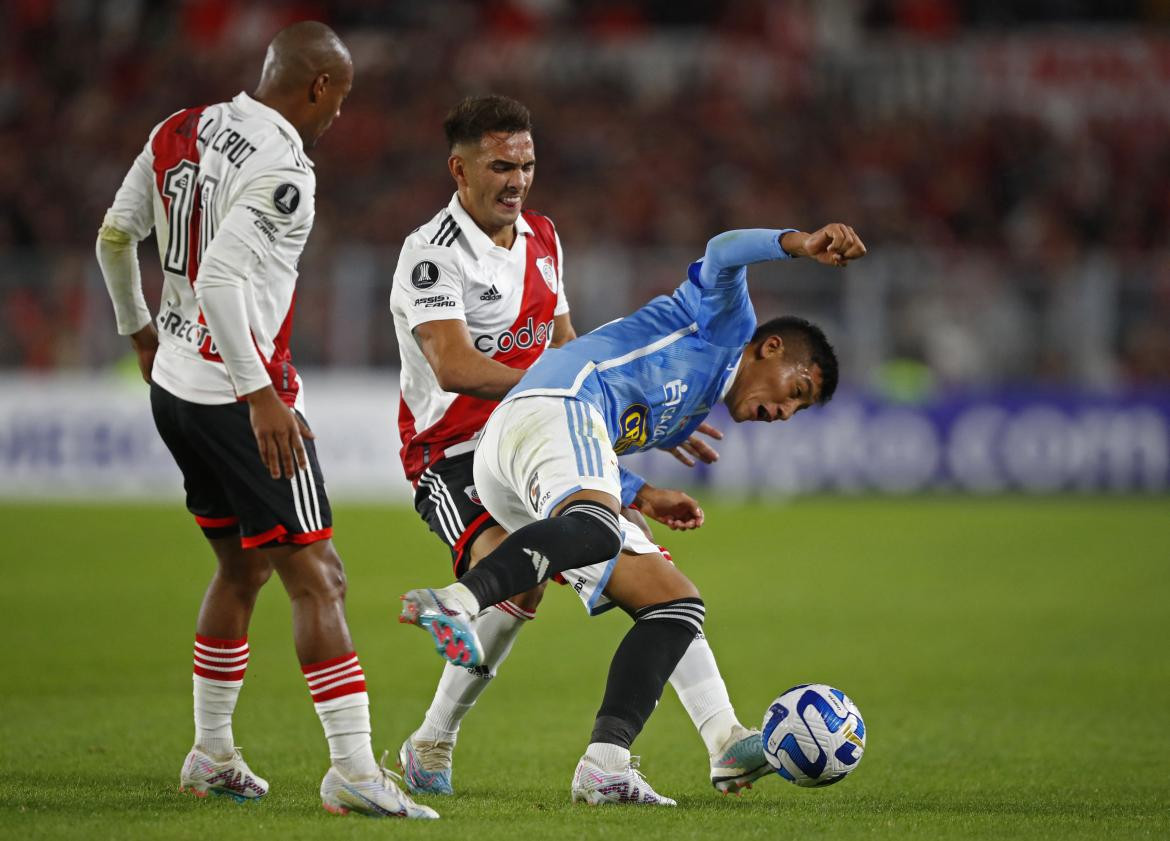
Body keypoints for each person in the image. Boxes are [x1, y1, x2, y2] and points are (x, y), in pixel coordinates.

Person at [94, 21, 436, 820]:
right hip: (233, 397)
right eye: (341, 99)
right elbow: (220, 280)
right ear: (318, 87)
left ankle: (211, 753)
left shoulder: (182, 126)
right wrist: (259, 394)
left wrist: (137, 329)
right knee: (321, 576)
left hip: (174, 388)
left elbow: (115, 234)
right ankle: (352, 768)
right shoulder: (285, 165)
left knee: (241, 568)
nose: (340, 115)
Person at [400, 223, 865, 804]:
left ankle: (629, 758)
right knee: (592, 531)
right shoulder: (728, 327)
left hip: (523, 448)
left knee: (673, 603)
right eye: (795, 390)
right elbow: (722, 251)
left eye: (799, 409)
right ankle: (460, 601)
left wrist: (641, 494)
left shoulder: (687, 411)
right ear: (770, 349)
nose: (785, 411)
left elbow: (585, 460)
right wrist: (799, 243)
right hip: (547, 408)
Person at [389, 95, 767, 798]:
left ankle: (724, 737)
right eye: (501, 166)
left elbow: (573, 353)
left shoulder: (544, 238)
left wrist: (628, 450)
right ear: (460, 169)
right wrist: (553, 386)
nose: (517, 180)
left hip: (550, 436)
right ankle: (433, 739)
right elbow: (453, 365)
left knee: (659, 584)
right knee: (520, 576)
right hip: (453, 450)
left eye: (527, 165)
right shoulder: (431, 255)